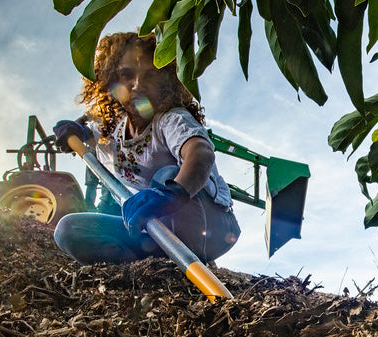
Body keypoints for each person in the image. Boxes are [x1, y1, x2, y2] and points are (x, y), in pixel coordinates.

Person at [52, 32, 239, 265]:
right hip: (155, 231)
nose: (137, 85)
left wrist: (172, 194)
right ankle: (145, 267)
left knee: (167, 175)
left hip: (209, 225)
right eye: (126, 75)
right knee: (70, 229)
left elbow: (200, 153)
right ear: (112, 79)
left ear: (165, 81)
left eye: (150, 76)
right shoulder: (112, 127)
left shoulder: (171, 120)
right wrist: (75, 131)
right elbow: (86, 131)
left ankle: (189, 254)